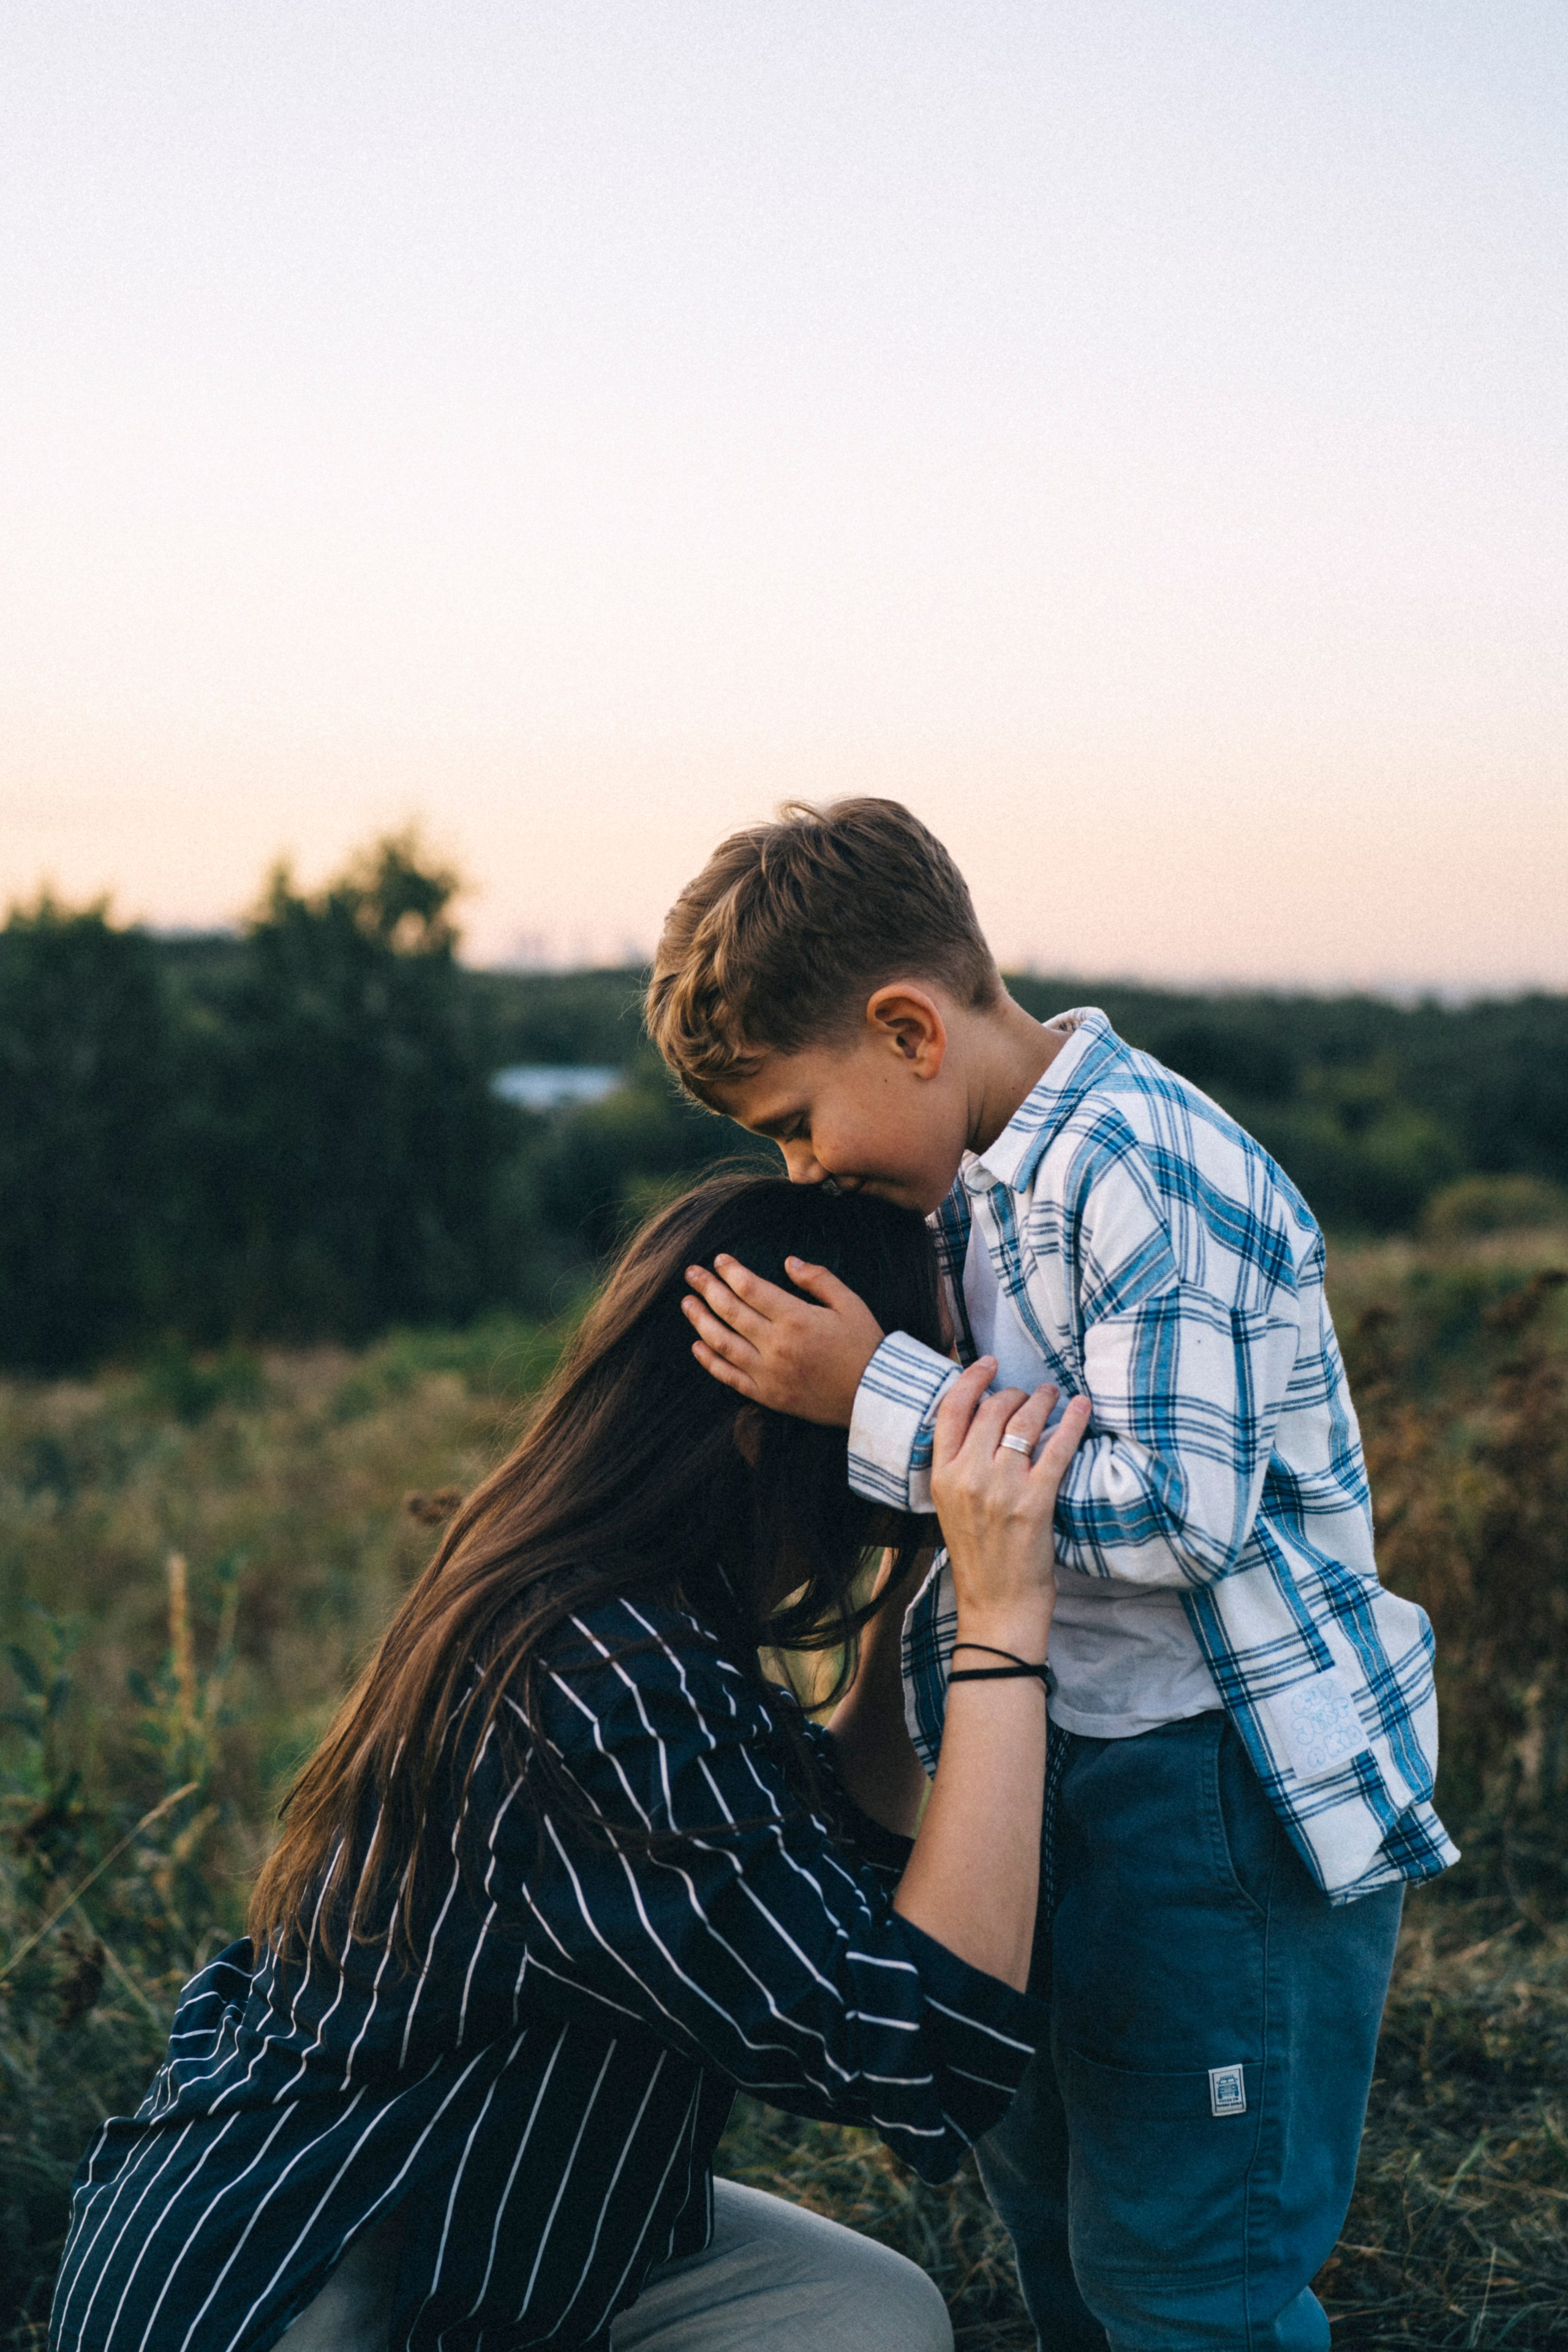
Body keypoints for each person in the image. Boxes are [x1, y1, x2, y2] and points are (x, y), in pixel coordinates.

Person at [649, 797, 1458, 2352]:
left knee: (1190, 2262)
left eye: (793, 1121)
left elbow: (1178, 1509)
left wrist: (869, 1392)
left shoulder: (1137, 1166)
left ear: (905, 1026)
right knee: (1063, 2202)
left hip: (1209, 1792)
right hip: (1044, 1764)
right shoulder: (968, 1180)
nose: (803, 1168)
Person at [51, 1172, 1088, 2352]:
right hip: (305, 2274)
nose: (926, 1428)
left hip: (509, 2217)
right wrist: (1007, 1627)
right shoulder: (600, 1678)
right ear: (758, 1425)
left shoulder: (616, 1603)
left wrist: (927, 1571)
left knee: (867, 2318)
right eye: (890, 1406)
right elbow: (918, 2052)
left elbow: (830, 1843)